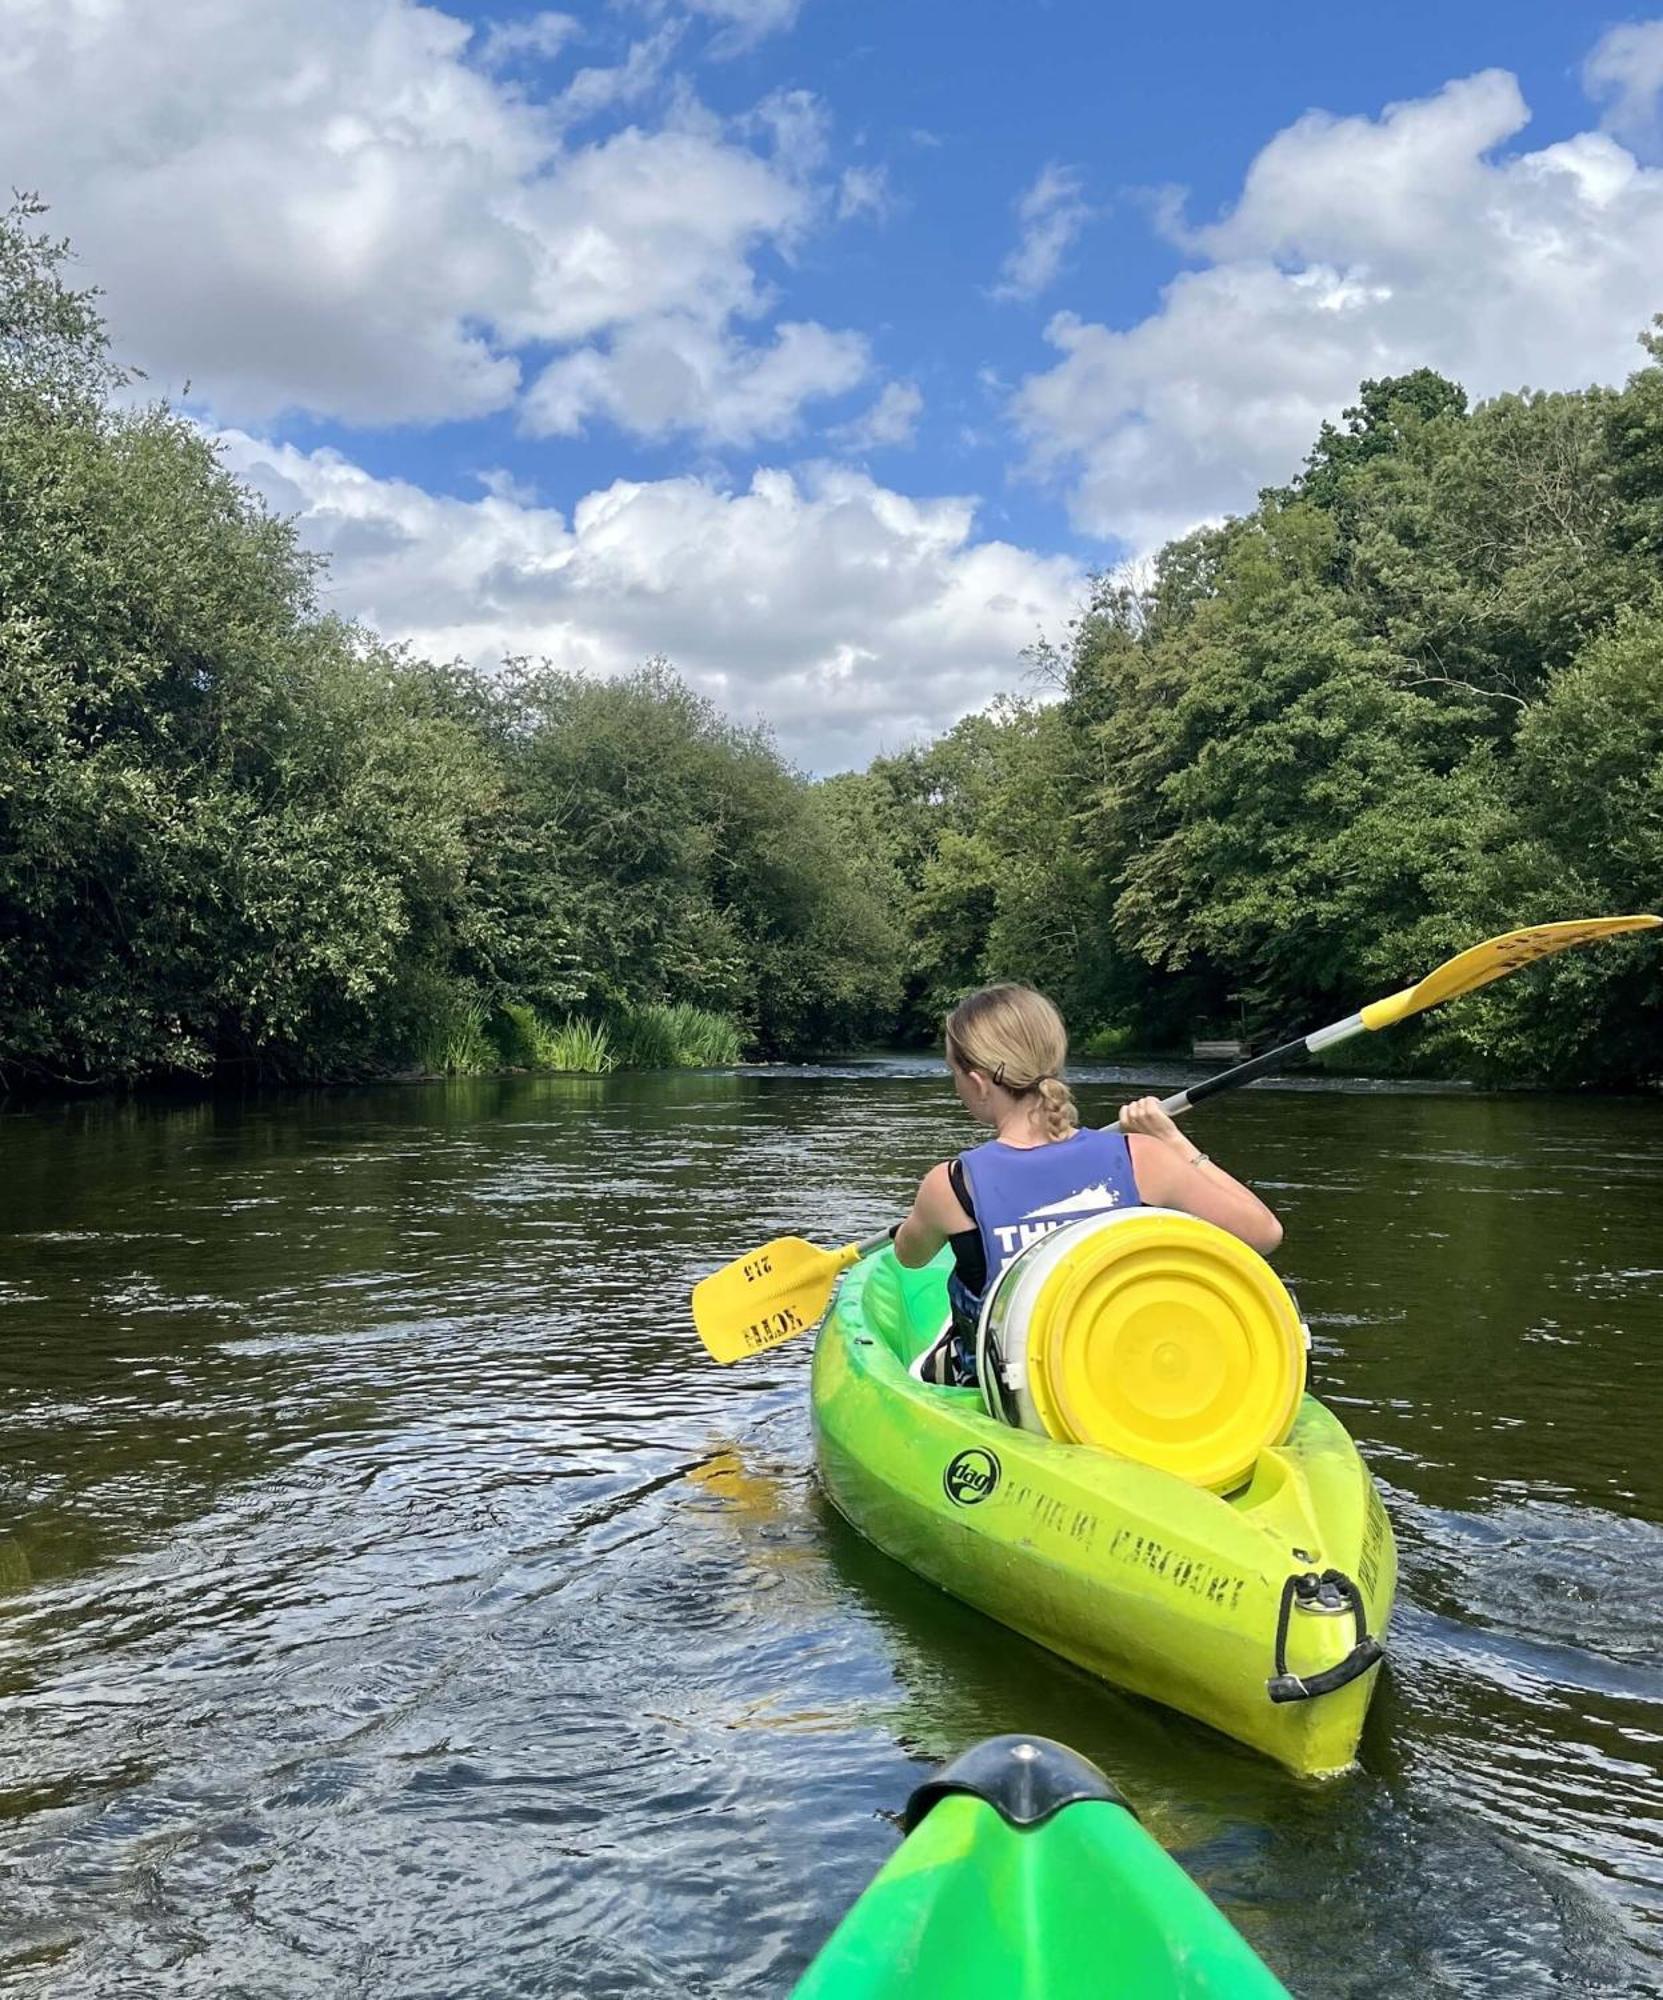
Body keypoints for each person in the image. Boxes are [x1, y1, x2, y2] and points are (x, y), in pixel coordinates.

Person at [892, 984, 1283, 1387]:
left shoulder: (952, 1185)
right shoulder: (1143, 1158)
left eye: (953, 1074)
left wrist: (911, 1225)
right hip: (1125, 1382)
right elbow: (1265, 1233)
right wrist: (1176, 1143)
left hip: (1016, 1403)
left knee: (935, 1361)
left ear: (976, 1083)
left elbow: (909, 1256)